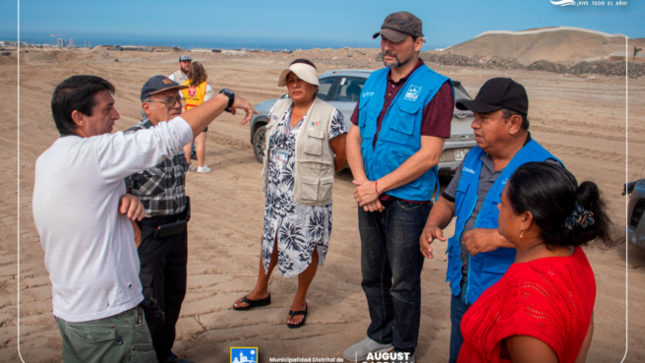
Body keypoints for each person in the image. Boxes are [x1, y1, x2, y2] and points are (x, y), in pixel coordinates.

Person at [32, 75, 255, 362]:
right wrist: (225, 98)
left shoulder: (51, 158)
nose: (117, 115)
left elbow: (83, 204)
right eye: (107, 108)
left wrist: (120, 197)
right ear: (78, 117)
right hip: (108, 319)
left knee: (171, 298)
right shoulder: (96, 154)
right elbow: (167, 137)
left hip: (73, 312)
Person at [419, 77, 561, 363]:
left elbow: (558, 234)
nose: (474, 124)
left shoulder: (543, 170)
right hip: (463, 290)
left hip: (509, 301)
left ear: (514, 123)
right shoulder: (474, 157)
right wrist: (432, 223)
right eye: (474, 117)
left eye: (484, 118)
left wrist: (497, 238)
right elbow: (448, 200)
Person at [344, 12, 454, 363]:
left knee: (403, 281)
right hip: (370, 194)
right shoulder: (374, 81)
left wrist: (378, 186)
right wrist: (363, 184)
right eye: (383, 39)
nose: (387, 47)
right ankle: (379, 335)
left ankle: (403, 348)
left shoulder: (437, 87)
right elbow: (355, 135)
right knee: (371, 274)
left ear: (418, 43)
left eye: (396, 40)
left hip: (409, 202)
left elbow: (430, 155)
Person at [232, 59, 348, 328]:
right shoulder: (279, 107)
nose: (295, 85)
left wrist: (315, 177)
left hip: (308, 196)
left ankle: (300, 298)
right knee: (270, 238)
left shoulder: (330, 115)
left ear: (314, 83)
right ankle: (261, 291)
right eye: (290, 80)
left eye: (301, 79)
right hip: (277, 193)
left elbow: (341, 157)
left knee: (307, 244)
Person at [458, 162, 614, 362]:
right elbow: (585, 326)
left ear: (526, 220)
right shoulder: (573, 256)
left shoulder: (525, 305)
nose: (498, 207)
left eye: (503, 202)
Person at [124, 75, 193, 363]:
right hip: (149, 235)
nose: (176, 105)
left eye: (178, 99)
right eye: (168, 101)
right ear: (146, 107)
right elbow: (117, 193)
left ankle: (164, 354)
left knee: (174, 296)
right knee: (150, 303)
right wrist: (136, 234)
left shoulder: (174, 139)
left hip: (177, 231)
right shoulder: (132, 142)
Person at [181, 61, 215, 173]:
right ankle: (201, 165)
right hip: (200, 117)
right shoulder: (206, 86)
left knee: (188, 142)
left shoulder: (184, 85)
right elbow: (207, 106)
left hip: (187, 116)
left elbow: (182, 102)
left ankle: (187, 164)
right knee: (200, 142)